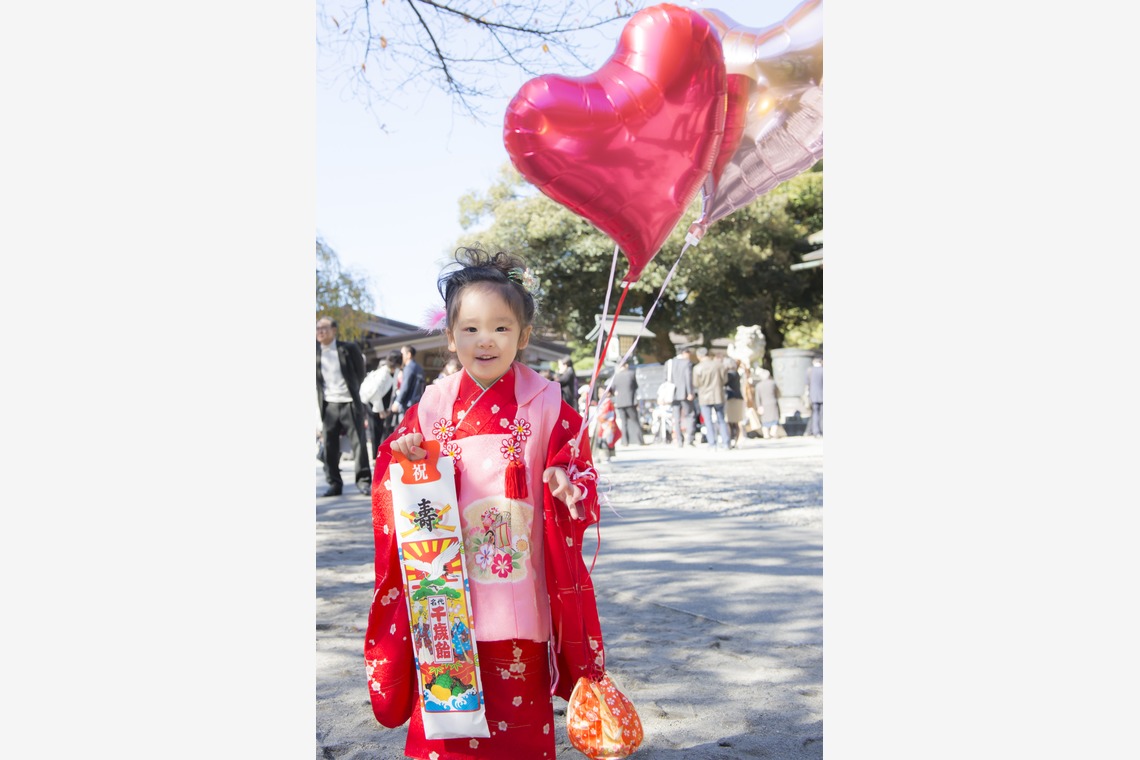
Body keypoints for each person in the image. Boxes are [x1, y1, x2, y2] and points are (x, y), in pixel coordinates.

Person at [364, 246, 610, 760]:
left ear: (523, 336)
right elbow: (394, 466)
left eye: (501, 328)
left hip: (520, 585)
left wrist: (569, 481)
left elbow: (575, 458)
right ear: (450, 336)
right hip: (449, 587)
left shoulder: (544, 400)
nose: (485, 340)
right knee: (447, 703)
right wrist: (405, 455)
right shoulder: (433, 404)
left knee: (517, 707)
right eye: (471, 328)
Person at [316, 316, 372, 496]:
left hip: (349, 402)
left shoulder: (348, 349)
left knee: (358, 444)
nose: (320, 331)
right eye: (317, 328)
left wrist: (352, 391)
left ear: (334, 330)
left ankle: (364, 481)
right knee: (330, 446)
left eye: (324, 328)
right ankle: (334, 483)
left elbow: (360, 373)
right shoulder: (314, 352)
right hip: (328, 404)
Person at [360, 351, 399, 460]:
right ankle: (375, 457)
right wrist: (381, 410)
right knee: (375, 432)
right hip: (373, 405)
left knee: (382, 431)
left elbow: (392, 392)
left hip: (384, 406)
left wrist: (388, 408)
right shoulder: (382, 373)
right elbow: (375, 393)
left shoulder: (395, 372)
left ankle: (380, 454)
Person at [691, 347, 730, 451]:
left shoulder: (697, 368)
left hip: (704, 396)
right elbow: (725, 380)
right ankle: (726, 443)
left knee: (708, 421)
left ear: (699, 356)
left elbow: (696, 383)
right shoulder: (719, 365)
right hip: (718, 394)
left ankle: (712, 444)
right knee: (721, 419)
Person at [667, 347, 696, 448]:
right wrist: (690, 392)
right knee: (690, 415)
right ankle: (690, 439)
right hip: (684, 393)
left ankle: (679, 440)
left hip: (672, 394)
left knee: (676, 418)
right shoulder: (686, 363)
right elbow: (688, 377)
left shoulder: (669, 363)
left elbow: (665, 378)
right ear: (685, 353)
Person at [390, 344, 426, 424]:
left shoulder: (409, 367)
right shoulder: (418, 367)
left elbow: (405, 386)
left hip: (408, 404)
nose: (400, 356)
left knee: (404, 429)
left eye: (402, 354)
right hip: (416, 402)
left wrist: (397, 402)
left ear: (408, 355)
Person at [611, 361, 643, 446]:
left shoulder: (616, 376)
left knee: (623, 422)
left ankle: (625, 441)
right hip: (630, 401)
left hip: (620, 402)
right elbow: (636, 386)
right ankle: (640, 440)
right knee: (635, 421)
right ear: (626, 365)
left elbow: (613, 389)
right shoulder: (631, 374)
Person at [594, 386, 621, 460]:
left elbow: (605, 414)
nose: (600, 394)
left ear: (608, 393)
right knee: (601, 439)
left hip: (607, 424)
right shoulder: (603, 402)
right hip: (602, 423)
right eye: (599, 393)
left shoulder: (608, 402)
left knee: (605, 440)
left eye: (602, 392)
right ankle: (600, 456)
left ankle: (605, 456)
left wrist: (599, 417)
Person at [754, 367, 782, 439]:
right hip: (773, 403)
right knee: (774, 419)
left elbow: (757, 397)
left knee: (764, 421)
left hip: (763, 404)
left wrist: (759, 406)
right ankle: (773, 433)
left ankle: (766, 434)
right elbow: (778, 393)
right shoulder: (773, 383)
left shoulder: (758, 386)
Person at [723, 356, 745, 449]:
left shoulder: (730, 374)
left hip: (731, 398)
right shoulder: (736, 373)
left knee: (731, 422)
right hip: (737, 398)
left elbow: (724, 382)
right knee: (734, 422)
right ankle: (734, 440)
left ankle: (733, 440)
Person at [806, 355, 823, 437]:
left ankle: (816, 431)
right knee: (822, 414)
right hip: (822, 395)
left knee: (815, 414)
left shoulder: (810, 371)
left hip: (813, 395)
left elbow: (807, 384)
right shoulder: (823, 370)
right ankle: (821, 430)